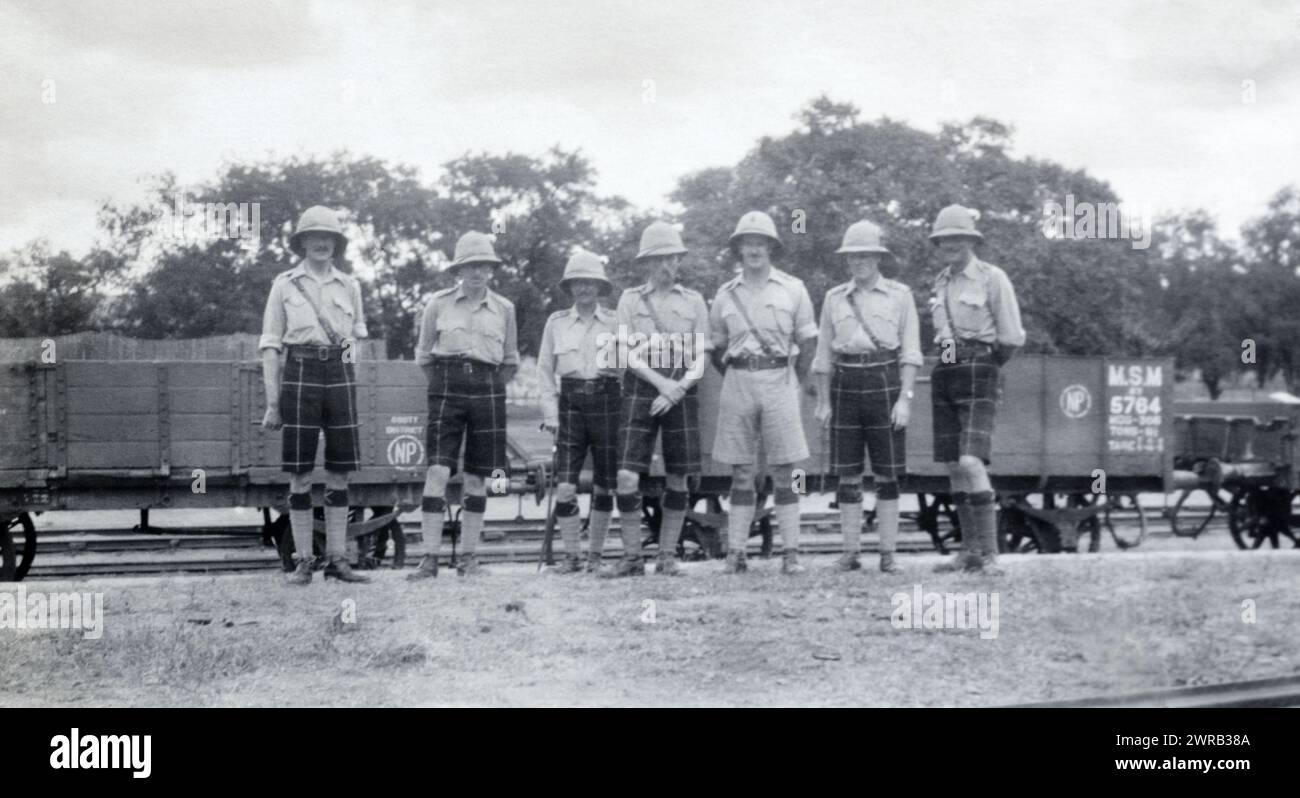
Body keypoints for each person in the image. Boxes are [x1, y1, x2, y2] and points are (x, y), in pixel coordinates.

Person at [259, 205, 370, 585]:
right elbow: (271, 345)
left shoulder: (350, 285)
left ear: (336, 244)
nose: (322, 243)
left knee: (340, 472)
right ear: (303, 243)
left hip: (339, 373)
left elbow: (356, 338)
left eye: (329, 238)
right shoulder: (285, 284)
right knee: (300, 473)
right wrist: (274, 402)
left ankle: (338, 560)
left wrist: (350, 375)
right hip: (300, 371)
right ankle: (304, 561)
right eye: (314, 237)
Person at [709, 211, 818, 574]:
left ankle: (791, 554)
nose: (754, 250)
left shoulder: (793, 288)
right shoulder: (724, 295)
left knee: (785, 470)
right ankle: (736, 553)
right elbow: (716, 347)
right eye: (747, 243)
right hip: (738, 380)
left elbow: (808, 340)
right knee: (741, 471)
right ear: (738, 249)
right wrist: (740, 374)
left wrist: (793, 380)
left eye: (760, 243)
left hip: (780, 380)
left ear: (771, 247)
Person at [407, 232, 519, 579]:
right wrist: (445, 386)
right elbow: (424, 357)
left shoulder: (504, 308)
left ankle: (468, 558)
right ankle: (429, 558)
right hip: (446, 385)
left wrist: (490, 387)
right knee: (438, 470)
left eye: (483, 266)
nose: (477, 272)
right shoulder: (438, 304)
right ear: (459, 269)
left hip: (489, 387)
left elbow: (511, 360)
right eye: (470, 266)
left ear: (490, 270)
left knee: (477, 476)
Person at [812, 220, 922, 574]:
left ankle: (888, 554)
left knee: (889, 473)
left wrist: (904, 398)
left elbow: (911, 352)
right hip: (845, 382)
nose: (857, 262)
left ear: (878, 258)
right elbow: (823, 355)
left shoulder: (900, 296)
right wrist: (824, 401)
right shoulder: (833, 298)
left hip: (885, 380)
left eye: (864, 255)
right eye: (851, 256)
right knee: (847, 474)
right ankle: (851, 552)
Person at [605, 221, 711, 577]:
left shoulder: (694, 301)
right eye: (660, 259)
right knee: (626, 477)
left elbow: (702, 356)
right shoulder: (630, 300)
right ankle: (633, 558)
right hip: (641, 387)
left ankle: (667, 556)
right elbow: (625, 352)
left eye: (674, 259)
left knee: (679, 478)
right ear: (647, 264)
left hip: (682, 389)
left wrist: (677, 388)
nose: (668, 266)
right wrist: (661, 384)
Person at [927, 205, 1025, 574]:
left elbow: (1011, 337)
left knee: (971, 461)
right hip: (949, 369)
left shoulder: (991, 277)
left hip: (982, 367)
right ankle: (969, 551)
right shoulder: (941, 282)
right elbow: (945, 334)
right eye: (944, 239)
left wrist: (985, 363)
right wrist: (952, 362)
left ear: (970, 240)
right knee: (953, 464)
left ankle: (990, 554)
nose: (950, 244)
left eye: (957, 237)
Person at [537, 250, 621, 573]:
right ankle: (572, 557)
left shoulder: (615, 322)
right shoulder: (556, 322)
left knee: (604, 485)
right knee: (566, 486)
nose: (583, 289)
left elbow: (631, 365)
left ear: (599, 287)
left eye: (589, 283)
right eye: (577, 283)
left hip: (607, 401)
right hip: (570, 404)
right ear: (569, 288)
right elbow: (545, 371)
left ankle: (595, 558)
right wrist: (550, 414)